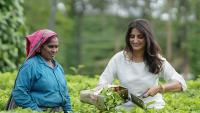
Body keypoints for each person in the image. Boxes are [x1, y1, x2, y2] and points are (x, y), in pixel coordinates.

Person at [95, 19, 187, 110]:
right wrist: (101, 92)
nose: (135, 40)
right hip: (124, 110)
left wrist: (159, 88)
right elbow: (103, 82)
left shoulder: (156, 59)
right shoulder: (118, 59)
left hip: (152, 108)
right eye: (132, 36)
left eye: (140, 37)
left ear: (147, 38)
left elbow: (181, 84)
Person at [11, 29, 72, 112]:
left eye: (56, 46)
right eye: (50, 46)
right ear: (40, 47)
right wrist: (36, 110)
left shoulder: (58, 67)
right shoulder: (31, 65)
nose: (54, 50)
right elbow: (19, 93)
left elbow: (65, 94)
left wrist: (69, 111)